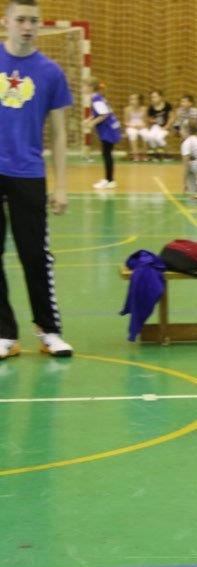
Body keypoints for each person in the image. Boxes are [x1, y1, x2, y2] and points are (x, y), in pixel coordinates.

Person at [0, 0, 74, 359]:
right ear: (6, 22)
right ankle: (4, 334)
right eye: (20, 20)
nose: (27, 27)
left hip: (28, 173)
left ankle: (49, 330)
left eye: (33, 20)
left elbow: (59, 134)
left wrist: (61, 185)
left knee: (34, 254)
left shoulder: (51, 72)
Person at [84, 77, 121, 189]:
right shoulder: (97, 97)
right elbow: (99, 112)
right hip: (109, 128)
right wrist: (89, 119)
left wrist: (92, 123)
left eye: (85, 86)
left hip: (109, 129)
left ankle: (109, 180)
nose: (83, 88)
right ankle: (109, 179)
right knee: (106, 153)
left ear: (91, 87)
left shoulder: (96, 98)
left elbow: (104, 114)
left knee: (106, 154)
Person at [142, 89, 172, 158]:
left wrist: (167, 126)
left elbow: (172, 117)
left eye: (155, 97)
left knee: (159, 138)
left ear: (161, 97)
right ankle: (156, 154)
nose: (153, 99)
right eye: (152, 97)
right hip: (155, 127)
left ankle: (168, 154)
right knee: (150, 137)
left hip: (165, 127)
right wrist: (151, 120)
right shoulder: (151, 107)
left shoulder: (167, 105)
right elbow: (149, 119)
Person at [123, 92, 147, 161]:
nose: (132, 101)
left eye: (134, 99)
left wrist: (141, 126)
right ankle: (135, 155)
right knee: (132, 134)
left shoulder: (144, 109)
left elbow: (146, 121)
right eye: (131, 99)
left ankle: (144, 154)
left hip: (142, 126)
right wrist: (132, 126)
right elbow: (125, 122)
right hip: (131, 126)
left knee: (146, 134)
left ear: (139, 100)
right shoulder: (127, 109)